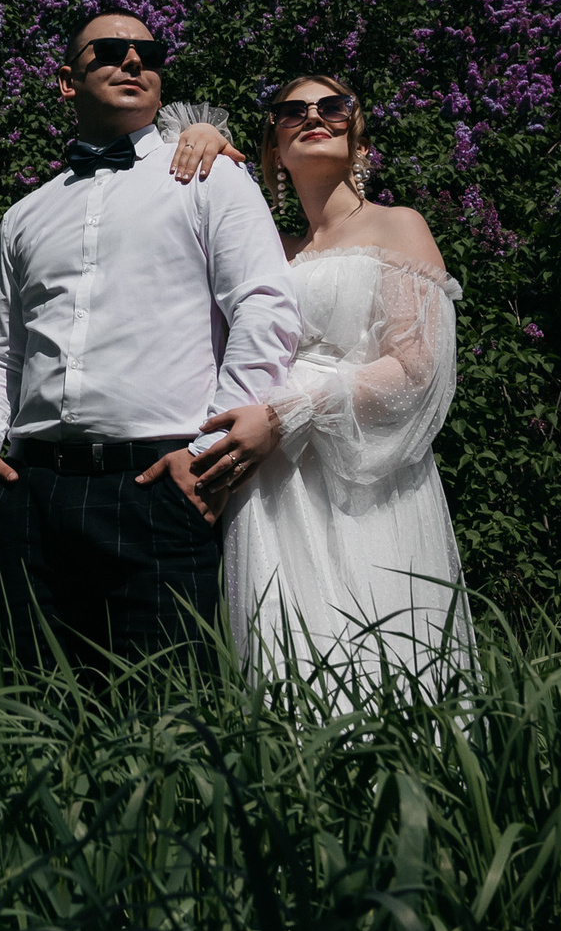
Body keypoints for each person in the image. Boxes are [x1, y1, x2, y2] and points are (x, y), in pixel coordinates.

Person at [0, 6, 301, 682]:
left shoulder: (212, 177)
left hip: (158, 487)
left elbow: (265, 308)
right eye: (110, 49)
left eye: (149, 50)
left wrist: (206, 455)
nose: (134, 60)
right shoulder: (24, 215)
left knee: (165, 733)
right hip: (30, 492)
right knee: (34, 722)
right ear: (66, 80)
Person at [161, 76, 475, 690]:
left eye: (332, 107)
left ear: (358, 139)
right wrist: (199, 139)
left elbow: (417, 369)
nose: (314, 117)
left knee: (381, 641)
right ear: (272, 148)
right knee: (285, 654)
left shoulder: (397, 226)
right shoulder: (269, 249)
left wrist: (287, 414)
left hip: (366, 475)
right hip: (273, 479)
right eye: (292, 111)